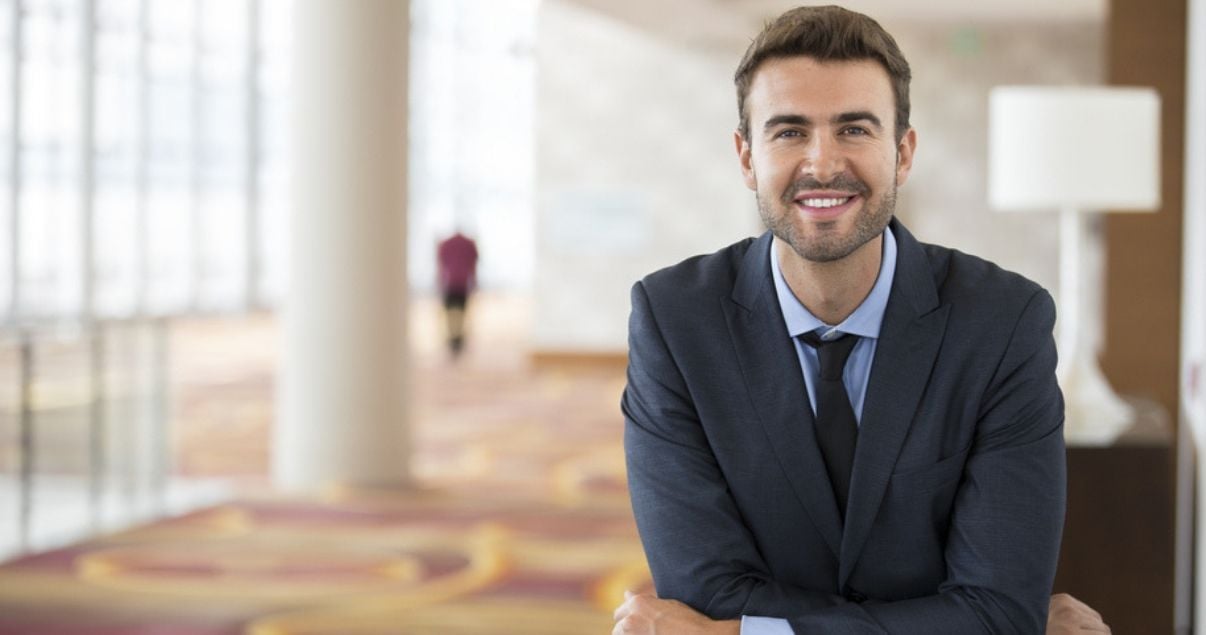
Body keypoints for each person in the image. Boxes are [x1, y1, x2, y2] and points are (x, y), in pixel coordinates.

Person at [614, 6, 1109, 634]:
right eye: (789, 131)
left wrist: (749, 634)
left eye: (854, 129)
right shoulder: (673, 322)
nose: (822, 164)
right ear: (746, 157)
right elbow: (709, 591)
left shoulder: (1005, 324)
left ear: (902, 153)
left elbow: (997, 609)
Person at [437, 230, 478, 356]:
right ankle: (456, 340)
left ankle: (455, 341)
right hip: (460, 283)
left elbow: (441, 264)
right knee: (458, 314)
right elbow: (473, 264)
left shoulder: (446, 244)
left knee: (453, 315)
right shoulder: (468, 244)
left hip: (452, 283)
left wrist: (440, 280)